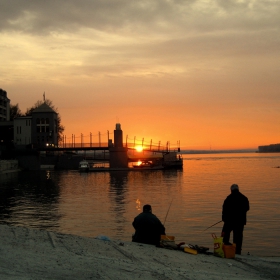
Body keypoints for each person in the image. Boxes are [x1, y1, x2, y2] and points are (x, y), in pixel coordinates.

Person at [222, 184, 250, 255]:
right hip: (240, 222)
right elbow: (247, 208)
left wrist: (224, 218)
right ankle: (237, 252)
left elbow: (224, 210)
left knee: (225, 235)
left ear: (231, 190)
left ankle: (226, 249)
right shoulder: (244, 198)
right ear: (238, 189)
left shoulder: (228, 198)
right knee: (238, 238)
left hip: (229, 221)